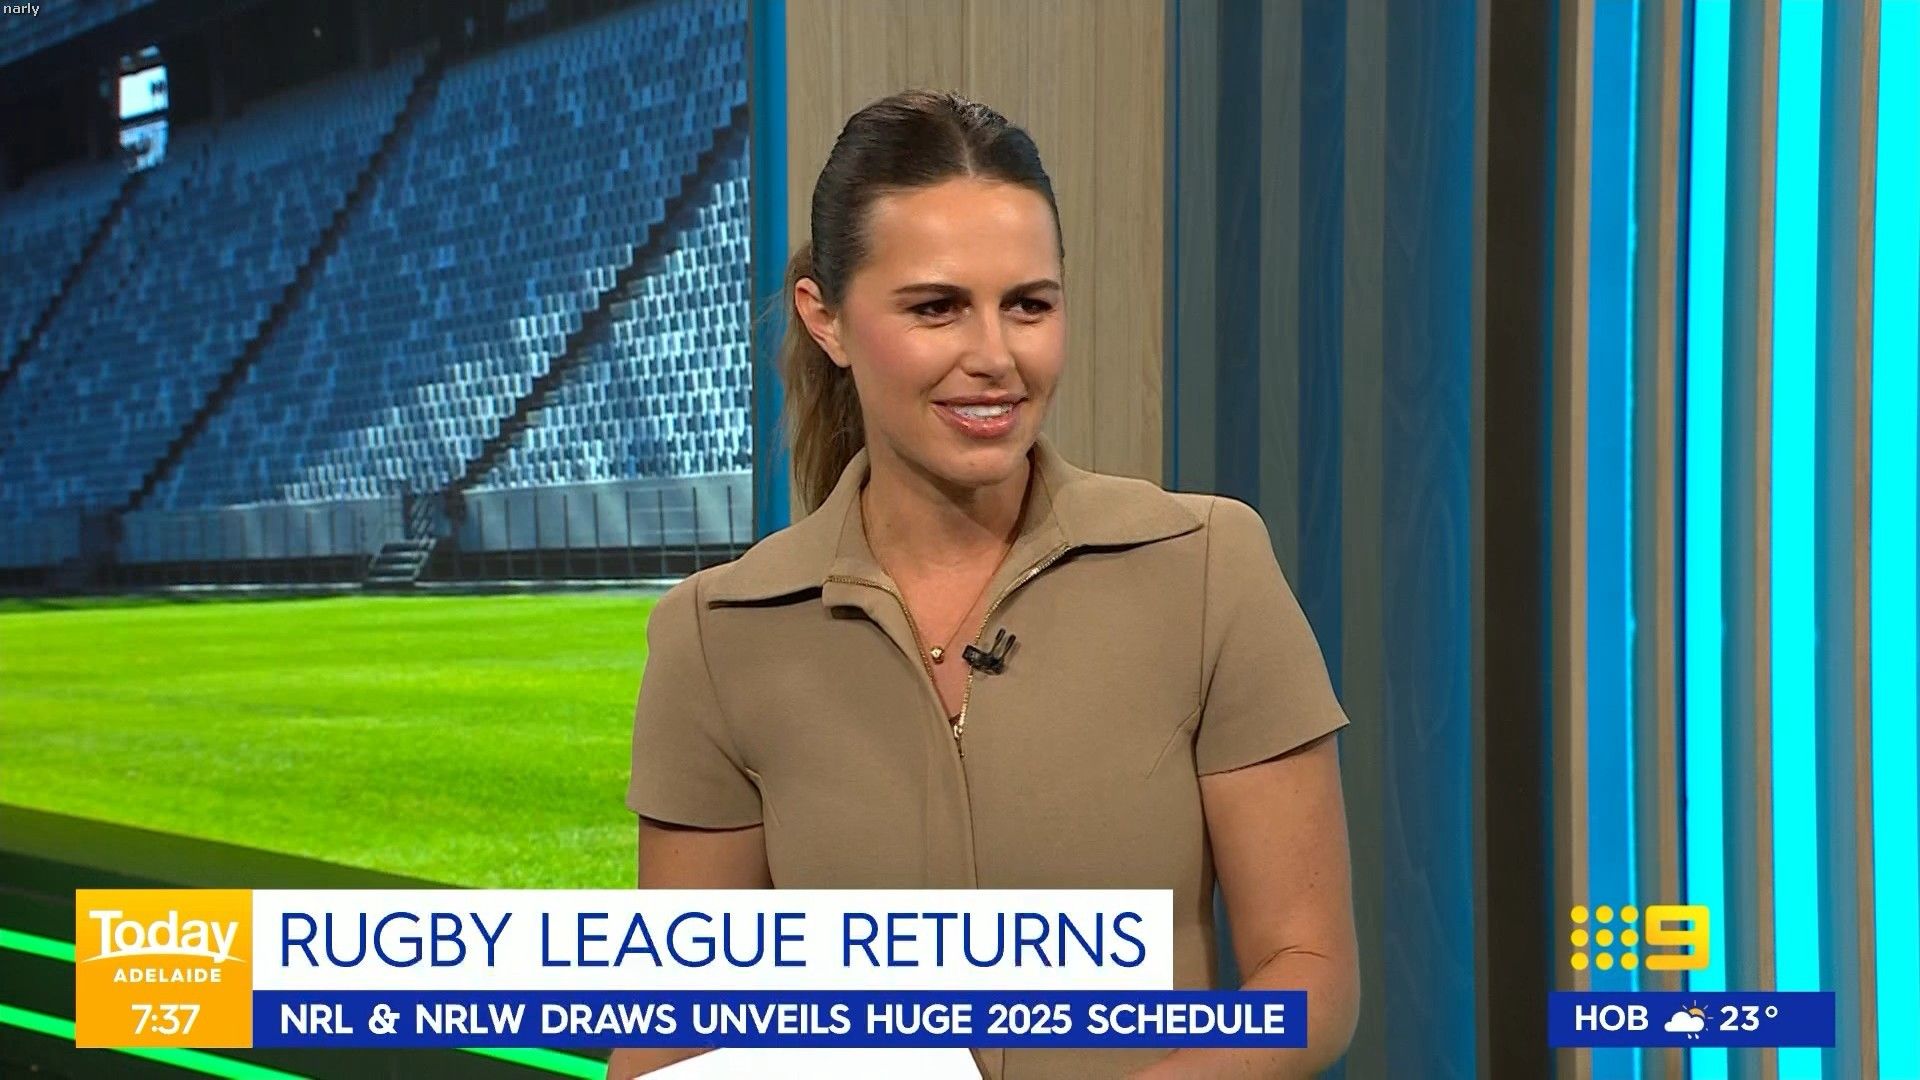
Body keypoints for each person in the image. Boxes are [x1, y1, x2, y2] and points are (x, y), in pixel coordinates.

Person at [610, 89, 1358, 1080]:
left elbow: (1307, 973)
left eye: (1029, 305)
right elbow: (675, 1035)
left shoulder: (1209, 567)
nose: (996, 357)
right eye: (936, 308)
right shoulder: (717, 635)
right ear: (826, 320)